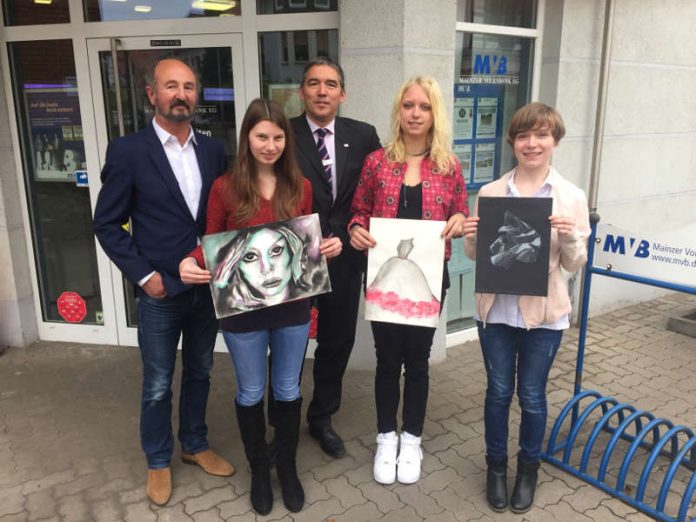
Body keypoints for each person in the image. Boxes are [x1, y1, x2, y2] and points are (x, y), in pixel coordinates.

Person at [179, 98, 342, 515]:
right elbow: (211, 239)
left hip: (292, 307)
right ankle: (258, 468)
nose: (270, 145)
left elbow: (305, 246)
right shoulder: (225, 187)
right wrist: (189, 261)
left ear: (286, 140)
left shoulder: (300, 186)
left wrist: (326, 247)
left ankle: (285, 466)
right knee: (251, 390)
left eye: (277, 137)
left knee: (288, 387)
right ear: (247, 138)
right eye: (261, 136)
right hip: (242, 309)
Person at [93, 57, 233, 506]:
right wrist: (147, 276)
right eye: (171, 86)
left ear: (197, 96)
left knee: (202, 369)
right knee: (157, 381)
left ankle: (193, 444)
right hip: (161, 291)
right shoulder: (128, 152)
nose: (181, 94)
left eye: (189, 87)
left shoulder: (213, 150)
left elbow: (220, 216)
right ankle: (158, 459)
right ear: (152, 94)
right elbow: (107, 224)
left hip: (207, 287)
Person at [462, 103, 590, 513]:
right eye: (523, 136)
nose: (531, 144)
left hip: (544, 316)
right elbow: (478, 255)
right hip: (496, 312)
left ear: (554, 140)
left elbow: (575, 263)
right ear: (513, 142)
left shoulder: (570, 196)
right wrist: (469, 234)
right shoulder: (491, 192)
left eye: (541, 135)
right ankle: (496, 467)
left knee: (532, 396)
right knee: (499, 392)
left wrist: (570, 237)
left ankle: (529, 470)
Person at [349, 75, 468, 484]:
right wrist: (354, 230)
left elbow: (461, 213)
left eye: (424, 107)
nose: (415, 114)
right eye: (408, 105)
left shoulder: (449, 166)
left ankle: (412, 439)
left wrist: (457, 220)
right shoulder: (376, 162)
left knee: (417, 363)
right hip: (385, 283)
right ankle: (386, 438)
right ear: (399, 111)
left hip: (428, 281)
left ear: (435, 115)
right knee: (387, 361)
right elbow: (359, 211)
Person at [288, 56, 381, 458]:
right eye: (313, 83)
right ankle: (283, 419)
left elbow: (377, 193)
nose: (321, 91)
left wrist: (347, 234)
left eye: (330, 84)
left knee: (336, 341)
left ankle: (321, 418)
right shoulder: (282, 134)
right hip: (292, 259)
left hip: (344, 259)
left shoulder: (363, 136)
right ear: (301, 92)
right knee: (287, 341)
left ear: (342, 93)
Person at [212, 223, 317, 313]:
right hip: (244, 322)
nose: (266, 269)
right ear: (235, 266)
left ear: (292, 251)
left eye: (276, 250)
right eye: (250, 257)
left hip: (294, 313)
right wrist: (195, 259)